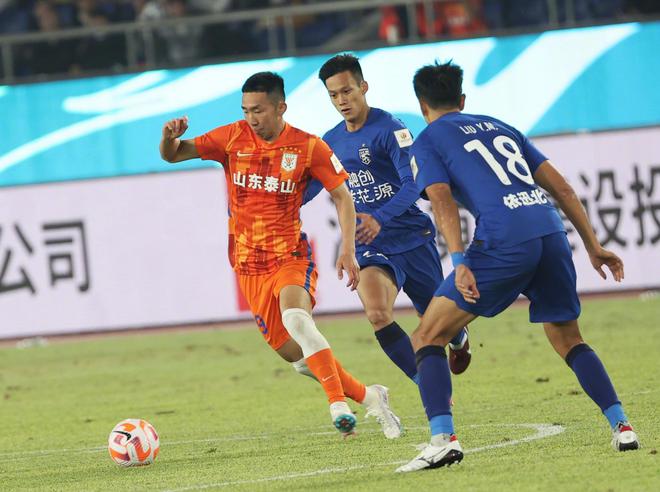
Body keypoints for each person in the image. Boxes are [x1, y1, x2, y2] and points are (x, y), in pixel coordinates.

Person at [396, 61, 639, 472]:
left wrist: (459, 261)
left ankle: (442, 440)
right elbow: (562, 188)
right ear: (462, 99)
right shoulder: (500, 126)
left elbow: (440, 199)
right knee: (568, 338)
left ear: (422, 105)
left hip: (504, 239)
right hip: (549, 231)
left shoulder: (428, 140)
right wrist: (593, 245)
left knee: (427, 335)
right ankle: (623, 426)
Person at [159, 71, 401, 438]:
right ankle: (370, 397)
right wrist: (168, 138)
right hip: (248, 265)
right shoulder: (231, 137)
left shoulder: (309, 147)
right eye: (246, 110)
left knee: (297, 320)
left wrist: (348, 249)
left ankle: (337, 404)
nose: (251, 118)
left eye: (258, 110)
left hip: (290, 257)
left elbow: (342, 195)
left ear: (280, 108)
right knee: (299, 359)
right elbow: (174, 154)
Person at [306, 55, 471, 402]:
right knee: (378, 314)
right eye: (333, 95)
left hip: (411, 237)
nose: (341, 101)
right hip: (370, 244)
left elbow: (413, 185)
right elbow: (313, 188)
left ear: (363, 87)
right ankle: (427, 383)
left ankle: (459, 339)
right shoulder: (330, 141)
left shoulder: (391, 129)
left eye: (347, 91)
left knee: (436, 320)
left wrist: (380, 216)